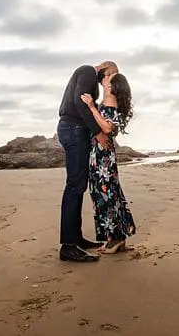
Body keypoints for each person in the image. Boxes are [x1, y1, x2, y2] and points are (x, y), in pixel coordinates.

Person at [57, 61, 118, 262]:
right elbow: (79, 101)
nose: (111, 80)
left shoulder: (88, 76)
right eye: (111, 75)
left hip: (75, 130)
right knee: (75, 186)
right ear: (105, 69)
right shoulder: (87, 71)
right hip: (73, 129)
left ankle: (75, 238)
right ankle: (68, 246)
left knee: (79, 185)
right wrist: (98, 131)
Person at [80, 72, 136, 253]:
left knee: (106, 195)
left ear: (111, 86)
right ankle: (119, 239)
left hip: (102, 156)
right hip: (102, 154)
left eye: (108, 78)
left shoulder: (110, 102)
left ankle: (113, 240)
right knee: (110, 194)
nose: (104, 78)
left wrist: (91, 106)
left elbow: (107, 127)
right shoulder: (108, 101)